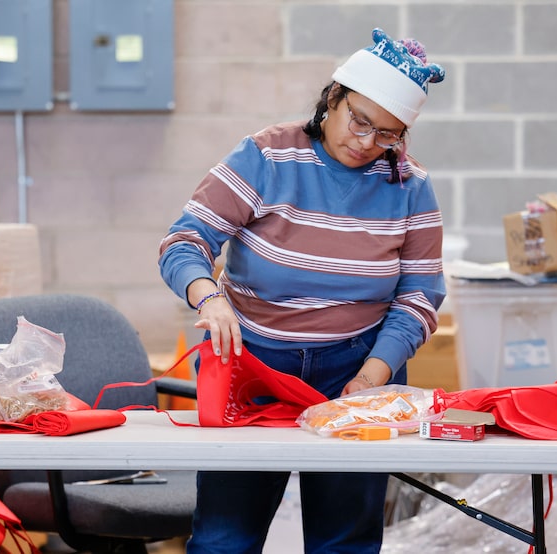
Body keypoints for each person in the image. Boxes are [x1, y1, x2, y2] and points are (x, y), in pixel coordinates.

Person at [159, 27, 446, 554]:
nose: (366, 143)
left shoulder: (411, 186)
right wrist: (209, 297)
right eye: (359, 121)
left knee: (344, 543)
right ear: (332, 98)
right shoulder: (267, 157)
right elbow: (184, 241)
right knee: (226, 539)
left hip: (357, 366)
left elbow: (420, 295)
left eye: (388, 134)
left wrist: (373, 375)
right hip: (252, 361)